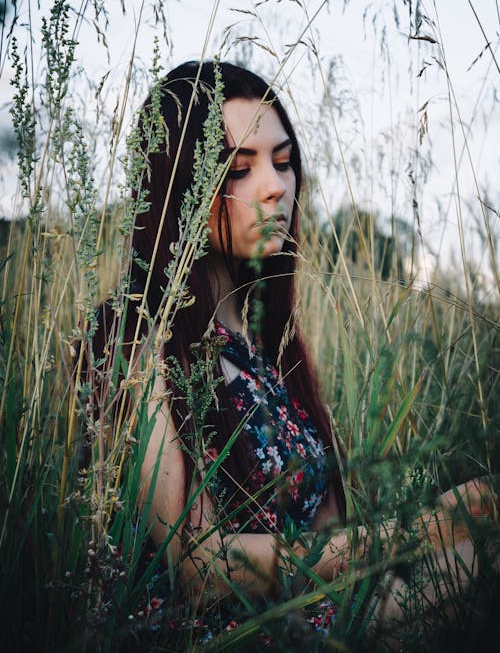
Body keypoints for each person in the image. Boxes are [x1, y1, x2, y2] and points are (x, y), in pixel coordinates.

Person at [90, 60, 496, 637]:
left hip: (322, 609)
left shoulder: (268, 347)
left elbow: (327, 536)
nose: (276, 186)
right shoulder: (140, 342)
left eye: (283, 162)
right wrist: (422, 529)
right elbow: (199, 569)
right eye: (239, 168)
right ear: (179, 187)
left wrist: (448, 529)